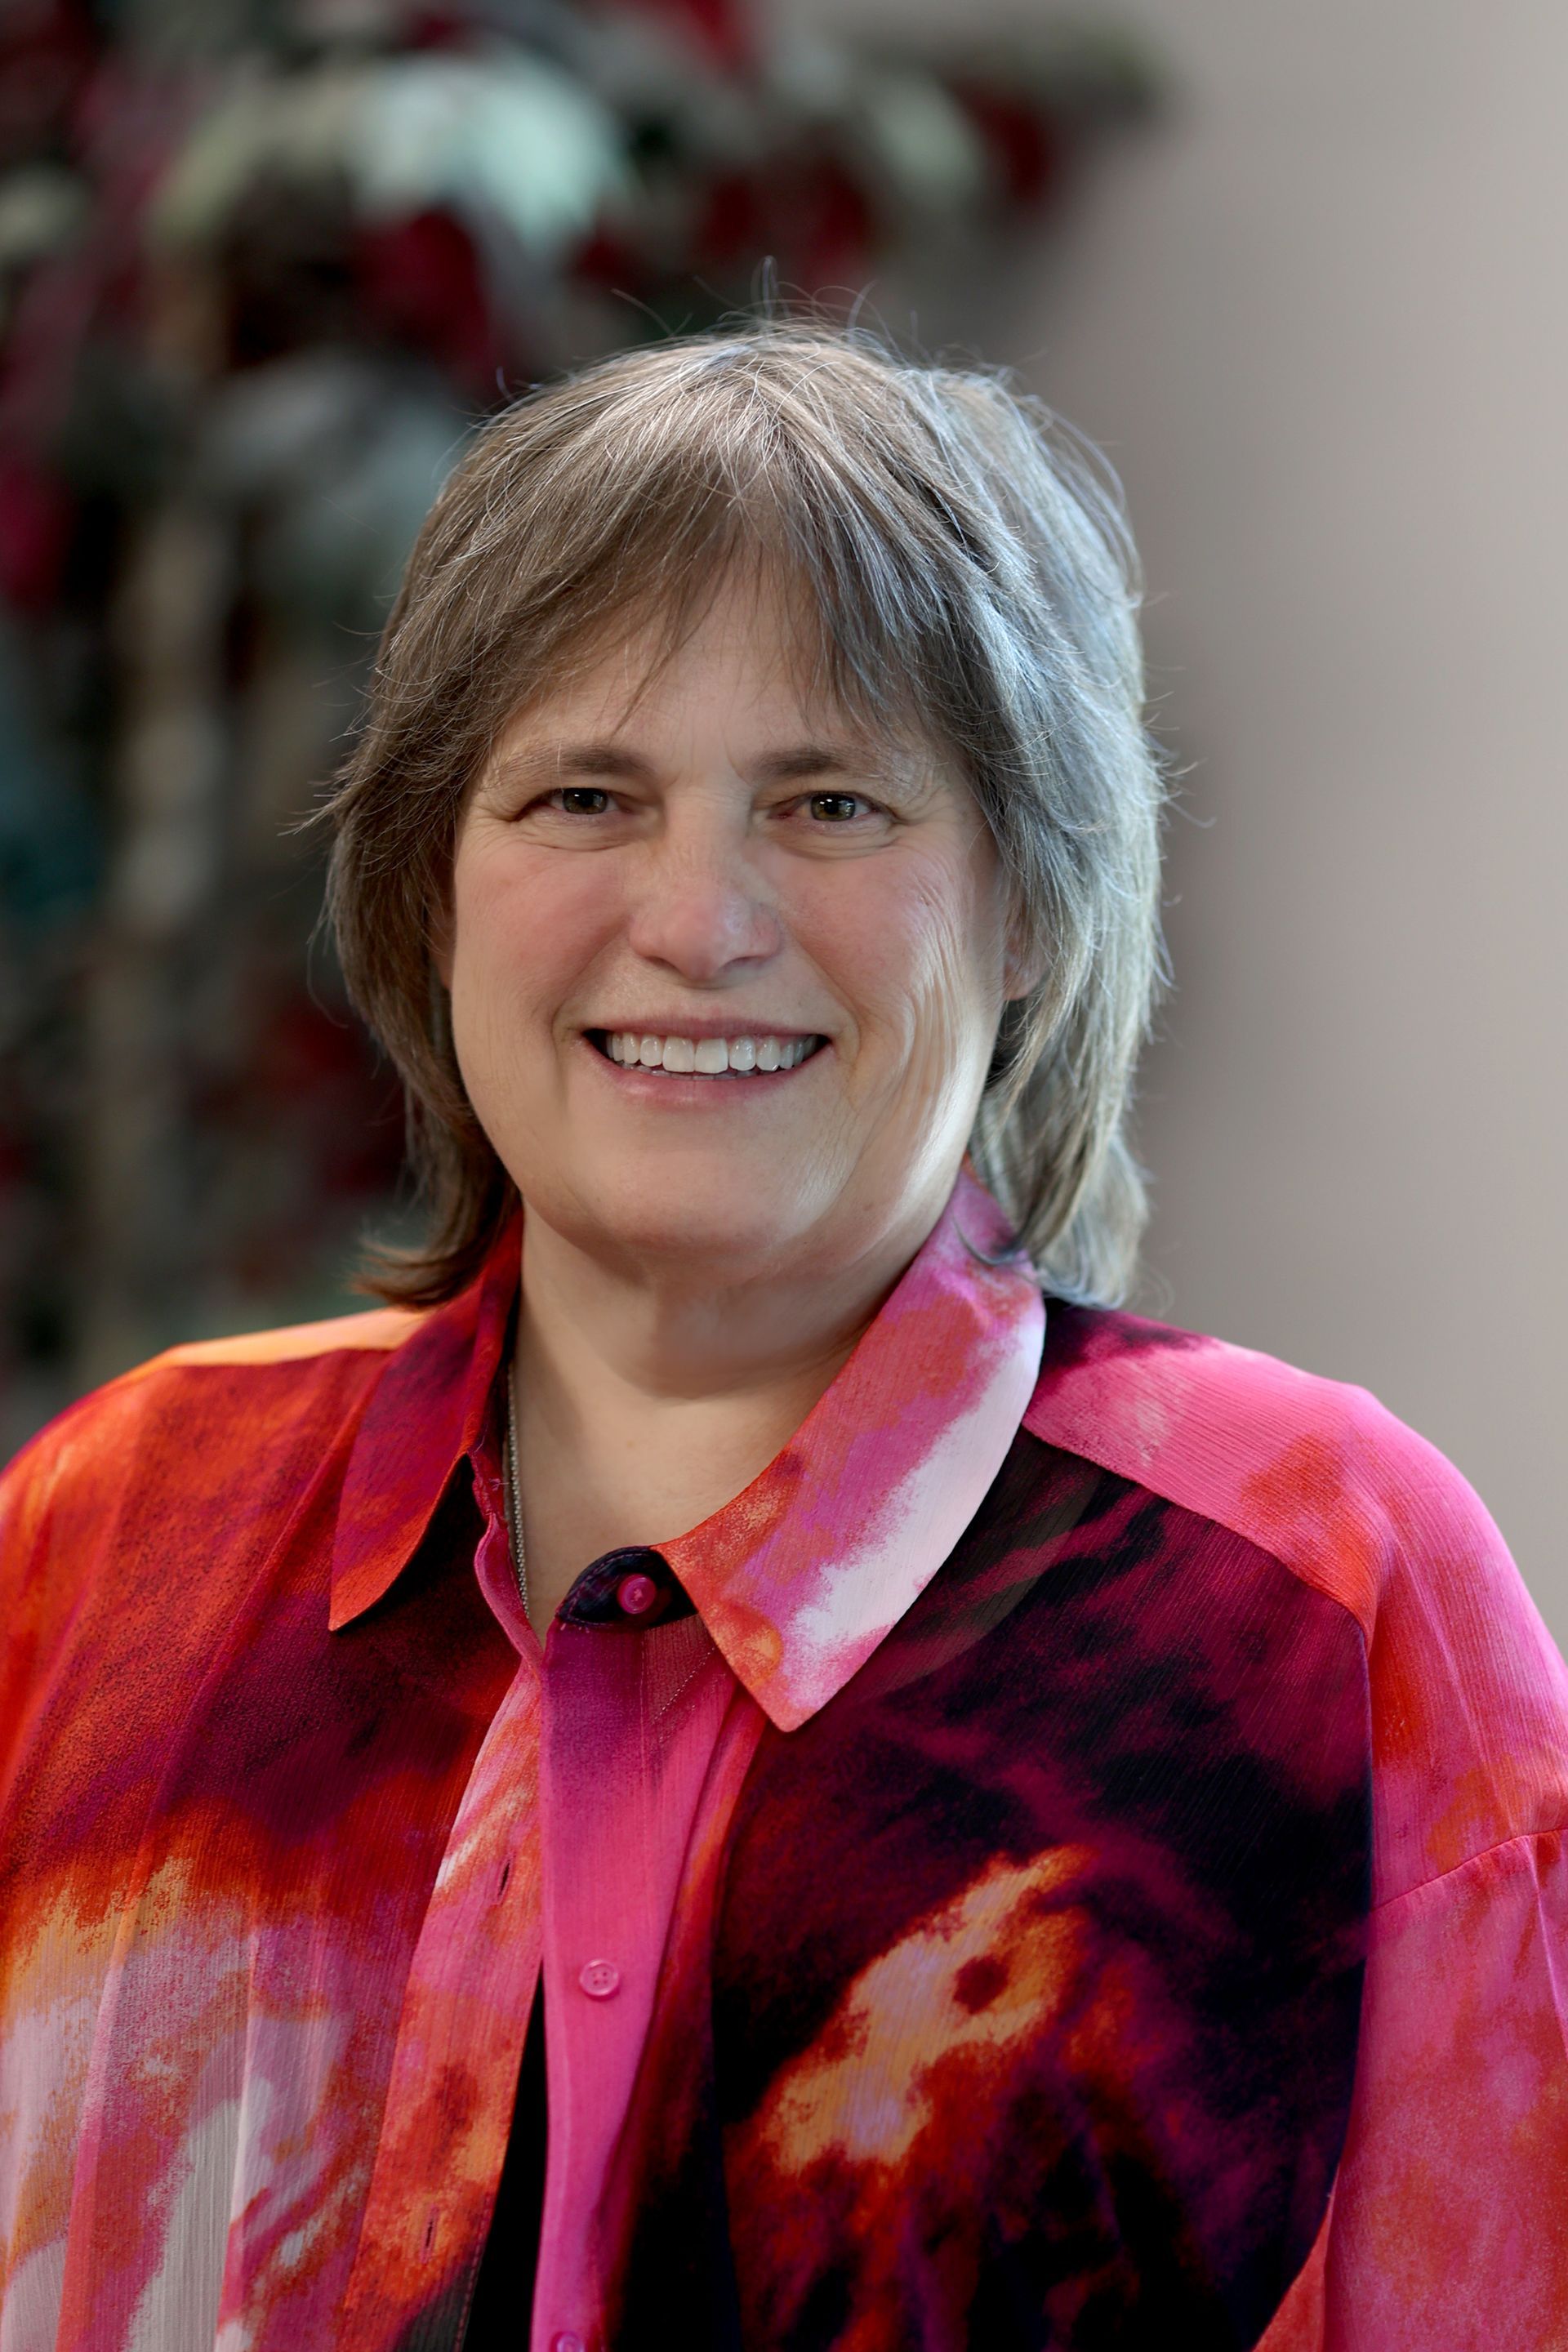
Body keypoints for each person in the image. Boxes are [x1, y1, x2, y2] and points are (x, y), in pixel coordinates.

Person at [2, 321, 1565, 2352]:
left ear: (1025, 912)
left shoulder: (1320, 1599)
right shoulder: (114, 1535)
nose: (700, 917)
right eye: (583, 794)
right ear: (435, 891)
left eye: (829, 804)